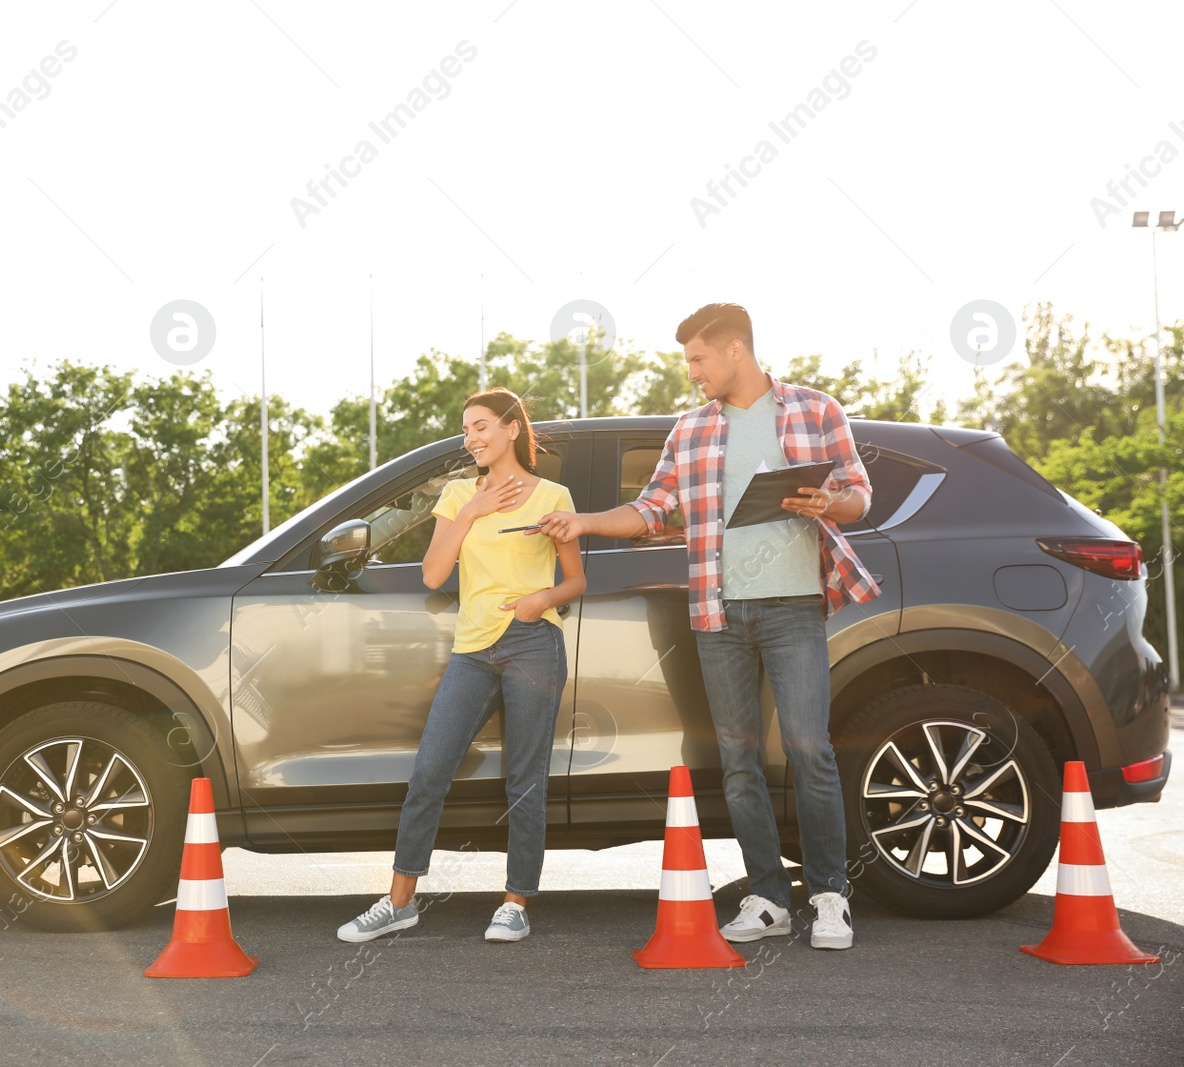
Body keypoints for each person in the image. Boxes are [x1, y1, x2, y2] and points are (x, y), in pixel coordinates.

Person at [535, 303, 878, 950]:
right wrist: (584, 522)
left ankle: (830, 895)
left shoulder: (813, 410)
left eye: (698, 358)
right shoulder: (690, 431)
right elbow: (653, 508)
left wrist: (831, 501)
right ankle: (769, 896)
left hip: (794, 606)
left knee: (810, 749)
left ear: (735, 352)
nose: (692, 371)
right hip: (718, 613)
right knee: (739, 760)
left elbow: (859, 493)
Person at [337, 387, 586, 944]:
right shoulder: (455, 494)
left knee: (525, 779)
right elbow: (431, 574)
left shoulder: (554, 495)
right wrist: (474, 508)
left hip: (532, 644)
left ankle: (516, 901)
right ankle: (400, 901)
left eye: (480, 427)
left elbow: (575, 580)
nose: (470, 437)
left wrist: (539, 601)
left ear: (511, 429)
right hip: (473, 652)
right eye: (466, 429)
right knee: (429, 771)